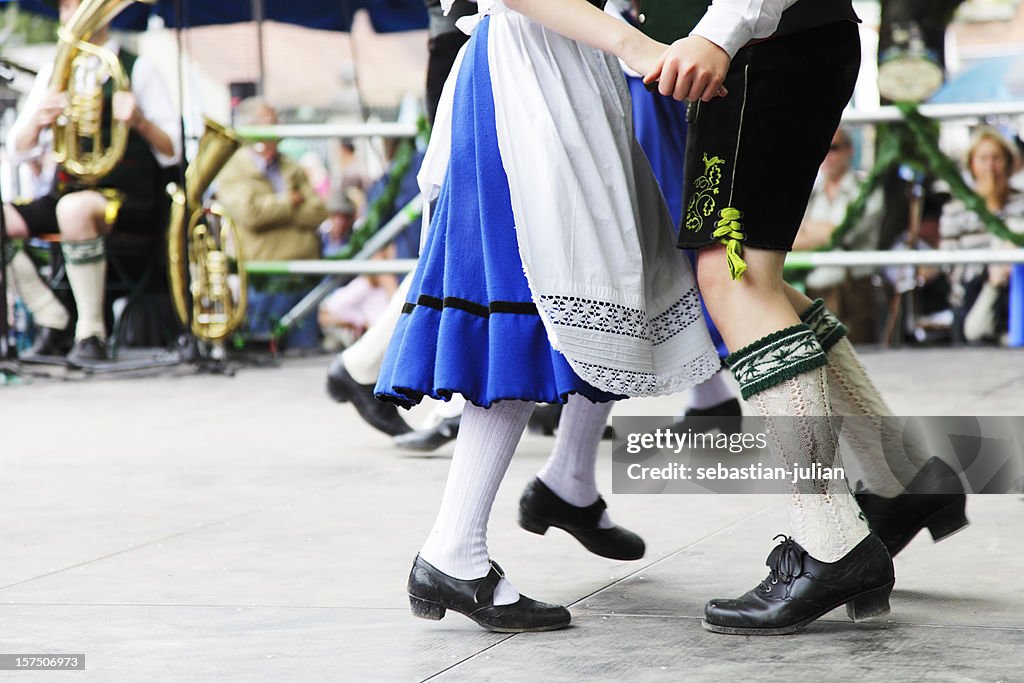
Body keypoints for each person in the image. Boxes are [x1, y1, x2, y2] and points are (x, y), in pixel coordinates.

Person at [375, 0, 720, 633]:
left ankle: (564, 482)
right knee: (534, 306)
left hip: (568, 69)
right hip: (528, 76)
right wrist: (632, 44)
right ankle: (454, 548)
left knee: (610, 294)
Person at [638, 0, 967, 635]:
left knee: (733, 278)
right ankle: (898, 476)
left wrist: (720, 29)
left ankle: (832, 540)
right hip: (777, 44)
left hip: (762, 47)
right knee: (753, 282)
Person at [2, 0, 181, 365]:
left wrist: (141, 122)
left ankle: (91, 332)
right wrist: (38, 119)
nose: (71, 16)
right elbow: (18, 149)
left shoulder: (137, 69)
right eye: (67, 9)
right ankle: (52, 317)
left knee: (75, 208)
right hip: (67, 191)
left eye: (80, 6)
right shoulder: (55, 71)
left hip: (129, 200)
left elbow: (172, 153)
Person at [215, 97, 328, 350]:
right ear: (252, 127)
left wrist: (274, 208)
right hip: (265, 279)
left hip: (303, 275)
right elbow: (250, 215)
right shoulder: (233, 168)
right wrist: (289, 202)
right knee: (263, 351)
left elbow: (318, 211)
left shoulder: (290, 165)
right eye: (271, 119)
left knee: (306, 353)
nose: (279, 124)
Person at [792, 127, 884, 343]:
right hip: (815, 292)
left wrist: (808, 229)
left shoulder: (865, 189)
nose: (826, 155)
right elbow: (790, 238)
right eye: (822, 148)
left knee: (861, 363)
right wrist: (824, 231)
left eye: (833, 148)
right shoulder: (810, 192)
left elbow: (843, 232)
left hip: (854, 292)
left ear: (850, 150)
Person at [939, 127, 1024, 345]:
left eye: (997, 158)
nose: (990, 167)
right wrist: (992, 272)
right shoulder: (955, 210)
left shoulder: (1021, 203)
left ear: (1008, 162)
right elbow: (949, 265)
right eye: (983, 158)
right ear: (972, 165)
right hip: (970, 303)